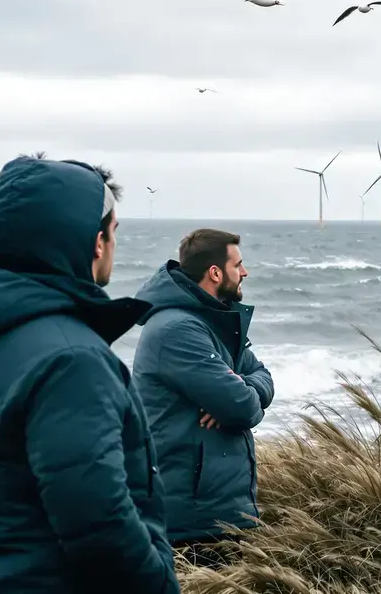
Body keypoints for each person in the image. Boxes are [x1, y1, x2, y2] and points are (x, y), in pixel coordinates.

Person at [0, 154, 179, 593]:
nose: (114, 243)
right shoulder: (72, 360)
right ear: (94, 242)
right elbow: (101, 526)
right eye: (112, 230)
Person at [131, 228, 274, 566]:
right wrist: (238, 395)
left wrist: (242, 386)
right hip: (191, 522)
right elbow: (242, 408)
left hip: (219, 511)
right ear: (215, 273)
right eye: (237, 265)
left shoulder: (212, 323)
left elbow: (263, 377)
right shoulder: (177, 330)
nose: (245, 272)